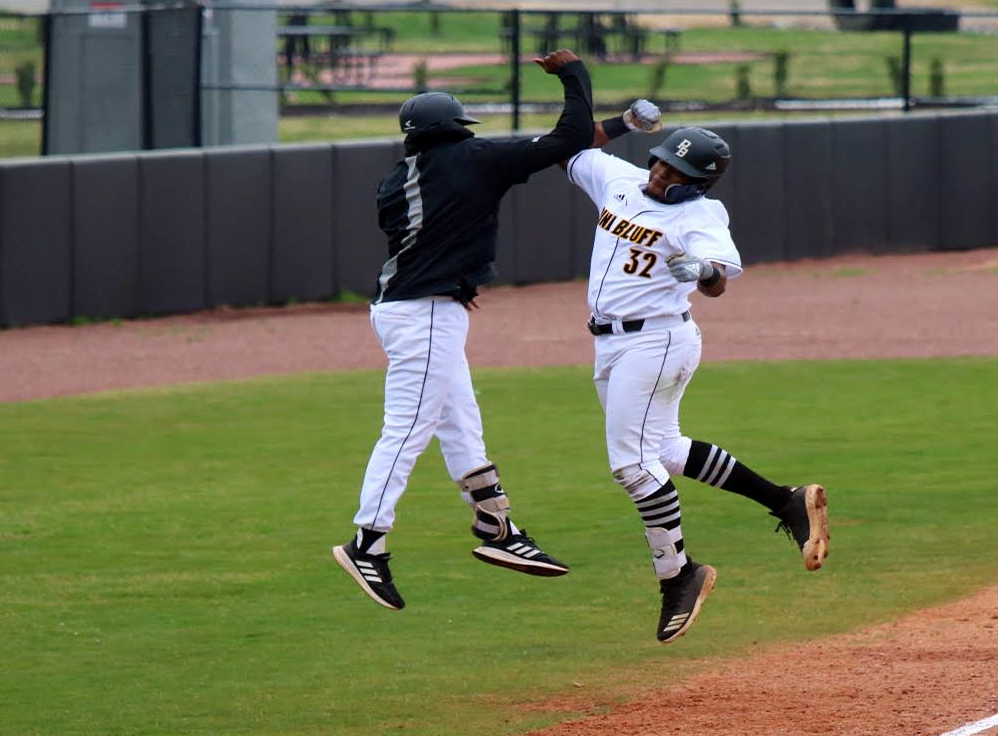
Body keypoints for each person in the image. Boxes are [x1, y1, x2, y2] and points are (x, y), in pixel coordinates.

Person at [333, 50, 594, 612]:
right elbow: (569, 136)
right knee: (407, 429)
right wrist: (573, 74)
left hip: (411, 309)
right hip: (424, 313)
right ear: (456, 127)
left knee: (460, 422)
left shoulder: (395, 178)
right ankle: (367, 543)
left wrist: (458, 277)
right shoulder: (474, 157)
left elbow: (434, 234)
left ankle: (497, 524)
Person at [563, 105, 831, 643]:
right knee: (662, 452)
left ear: (699, 184)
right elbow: (573, 146)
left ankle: (679, 576)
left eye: (677, 176)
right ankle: (786, 500)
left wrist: (705, 271)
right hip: (612, 343)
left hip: (657, 340)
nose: (662, 177)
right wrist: (622, 124)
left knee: (632, 465)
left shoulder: (701, 216)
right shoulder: (621, 179)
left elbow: (718, 280)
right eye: (661, 166)